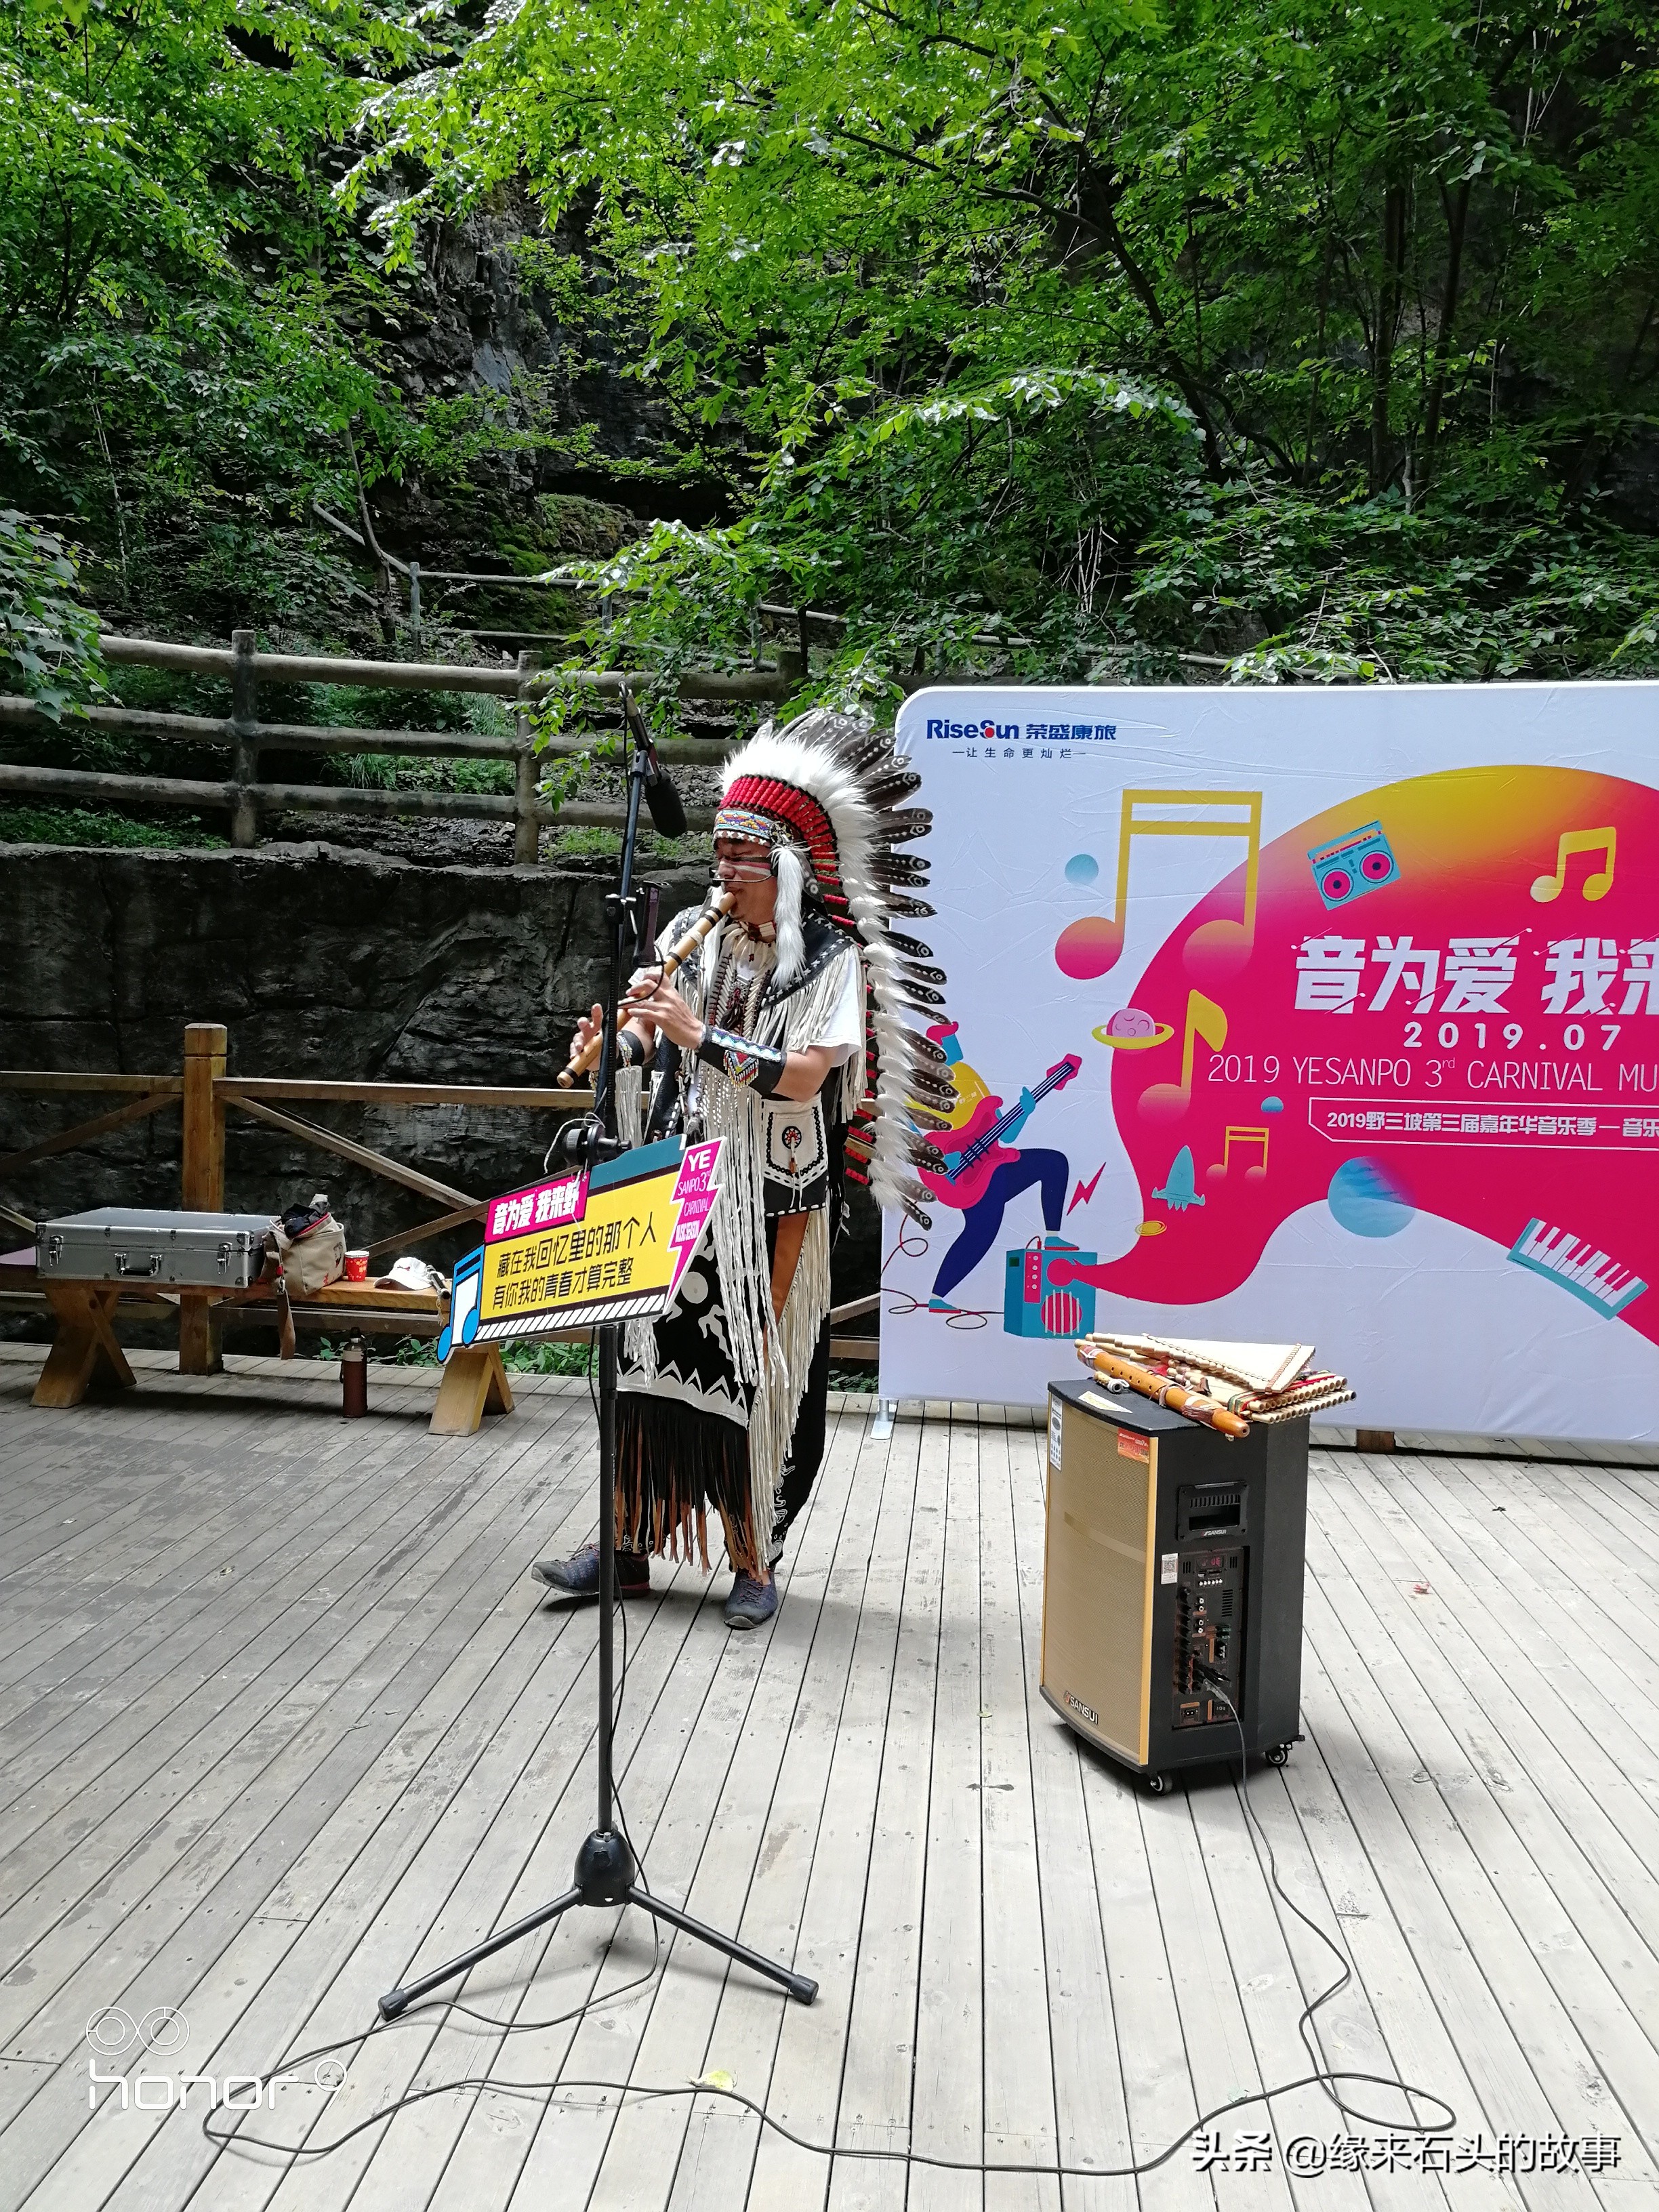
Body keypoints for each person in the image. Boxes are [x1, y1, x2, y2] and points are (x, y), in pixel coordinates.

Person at [532, 711, 947, 1629]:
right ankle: (629, 1539)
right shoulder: (691, 930)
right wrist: (619, 1046)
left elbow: (804, 1079)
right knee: (640, 1353)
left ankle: (752, 1555)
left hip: (774, 1192)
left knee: (749, 1365)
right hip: (680, 1177)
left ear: (788, 870)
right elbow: (654, 1036)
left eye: (742, 864)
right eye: (719, 859)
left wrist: (697, 1036)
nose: (724, 878)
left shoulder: (833, 963)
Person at [924, 1021, 1069, 1310]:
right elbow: (911, 1133)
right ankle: (938, 1297)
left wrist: (1026, 1111)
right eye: (948, 1040)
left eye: (953, 1039)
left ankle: (1053, 1238)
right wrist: (938, 1159)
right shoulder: (923, 1089)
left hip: (992, 1163)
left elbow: (1005, 1132)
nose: (955, 1047)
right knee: (981, 1233)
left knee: (1053, 1163)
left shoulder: (970, 1077)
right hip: (965, 1176)